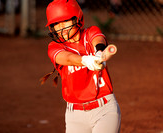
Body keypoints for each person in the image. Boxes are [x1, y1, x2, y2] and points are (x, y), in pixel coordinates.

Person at [42, 0, 121, 133]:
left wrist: (99, 52)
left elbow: (98, 39)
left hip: (104, 110)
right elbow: (65, 57)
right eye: (55, 24)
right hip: (74, 116)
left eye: (65, 21)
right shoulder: (54, 47)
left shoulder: (90, 33)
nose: (60, 28)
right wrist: (85, 60)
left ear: (77, 19)